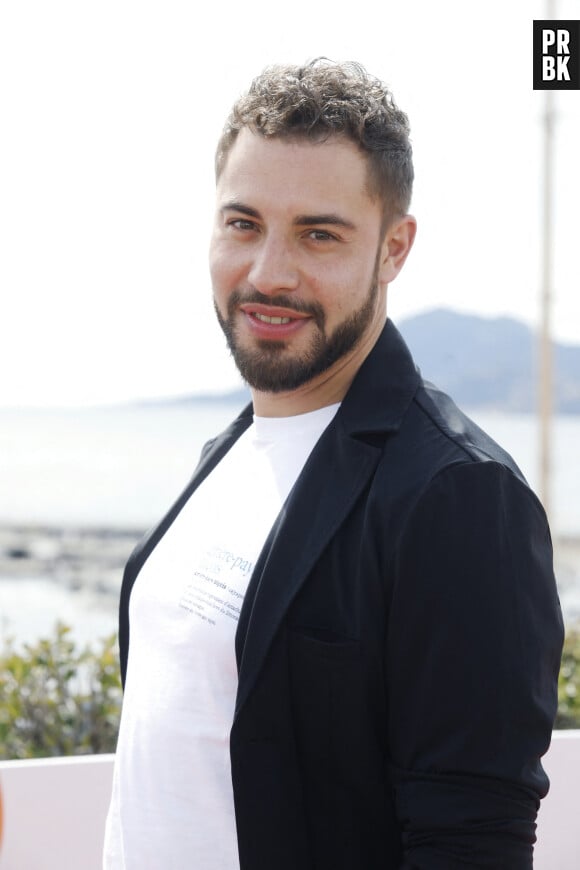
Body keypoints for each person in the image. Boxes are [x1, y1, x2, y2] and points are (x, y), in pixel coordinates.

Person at [103, 59, 564, 869]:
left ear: (394, 248)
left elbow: (469, 843)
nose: (269, 273)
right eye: (243, 223)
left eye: (319, 233)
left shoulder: (459, 496)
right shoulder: (230, 452)